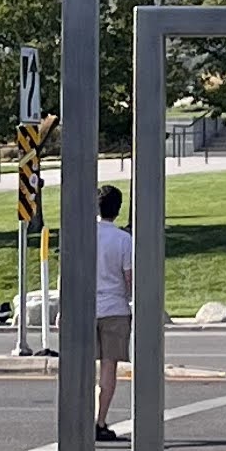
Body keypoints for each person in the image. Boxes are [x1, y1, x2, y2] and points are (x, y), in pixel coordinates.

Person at [91, 180, 137, 434]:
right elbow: (128, 277)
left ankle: (82, 415)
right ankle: (100, 420)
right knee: (109, 366)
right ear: (117, 209)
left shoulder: (84, 235)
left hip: (87, 307)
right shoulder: (123, 240)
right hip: (115, 308)